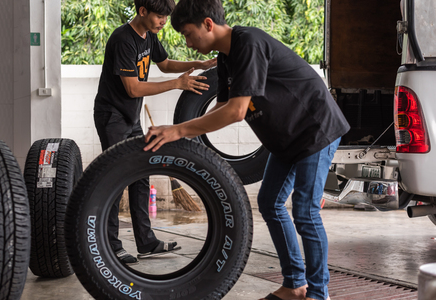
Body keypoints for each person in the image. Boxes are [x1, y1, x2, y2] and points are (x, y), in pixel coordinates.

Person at [143, 0, 350, 299]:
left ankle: (319, 293)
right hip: (287, 139)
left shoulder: (247, 43)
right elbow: (222, 107)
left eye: (188, 34)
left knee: (305, 212)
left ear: (208, 24)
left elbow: (237, 112)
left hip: (314, 130)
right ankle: (295, 284)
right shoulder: (227, 57)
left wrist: (178, 130)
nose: (188, 44)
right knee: (270, 203)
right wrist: (184, 138)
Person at [94, 0, 217, 265]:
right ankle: (111, 246)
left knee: (141, 175)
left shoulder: (149, 36)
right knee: (115, 179)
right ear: (142, 12)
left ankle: (147, 243)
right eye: (160, 17)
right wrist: (178, 84)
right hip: (112, 117)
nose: (163, 22)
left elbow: (164, 64)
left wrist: (199, 64)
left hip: (130, 117)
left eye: (165, 17)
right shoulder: (122, 40)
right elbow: (133, 89)